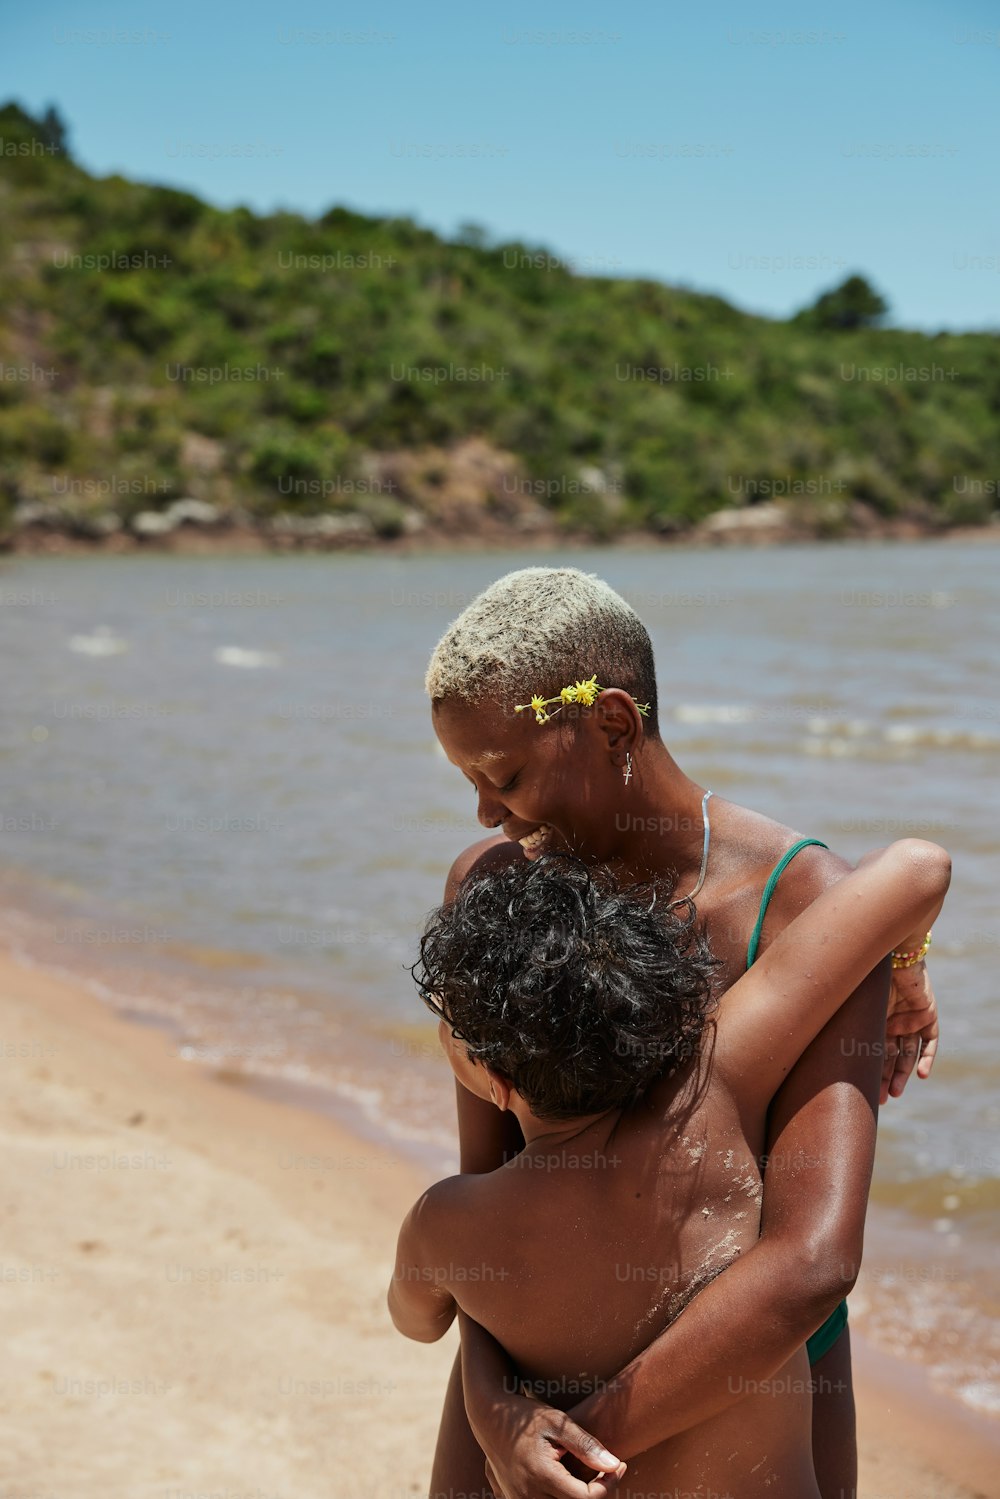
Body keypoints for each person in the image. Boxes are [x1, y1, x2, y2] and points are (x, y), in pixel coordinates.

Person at [420, 566, 941, 1499]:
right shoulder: (495, 891)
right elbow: (486, 1206)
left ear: (613, 724)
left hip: (749, 1378)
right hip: (524, 1394)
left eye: (504, 776)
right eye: (470, 782)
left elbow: (811, 1259)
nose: (489, 814)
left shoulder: (797, 904)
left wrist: (580, 1443)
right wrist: (499, 1418)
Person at [391, 843, 950, 1498]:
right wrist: (905, 964)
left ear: (497, 1081)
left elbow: (419, 1317)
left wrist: (495, 1394)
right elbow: (920, 866)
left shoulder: (448, 1224)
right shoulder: (717, 1083)